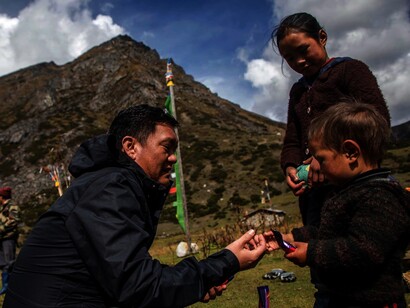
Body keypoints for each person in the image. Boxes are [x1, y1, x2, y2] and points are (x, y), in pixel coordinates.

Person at [4, 104, 266, 308]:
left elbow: (124, 278)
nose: (174, 158)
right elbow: (139, 287)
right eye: (167, 147)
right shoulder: (111, 187)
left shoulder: (107, 182)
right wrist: (228, 261)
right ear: (131, 147)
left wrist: (198, 283)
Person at [271, 12, 391, 304]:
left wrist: (327, 157)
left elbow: (377, 120)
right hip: (315, 198)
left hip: (354, 188)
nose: (299, 61)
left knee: (360, 257)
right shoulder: (298, 91)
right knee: (325, 274)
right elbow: (292, 139)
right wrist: (290, 166)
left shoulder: (349, 71)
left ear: (322, 38)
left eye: (303, 50)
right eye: (289, 57)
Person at [265, 102, 410, 307]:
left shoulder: (379, 197)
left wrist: (311, 252)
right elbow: (331, 232)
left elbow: (363, 251)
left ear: (350, 152)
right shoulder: (349, 191)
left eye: (320, 159)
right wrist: (292, 237)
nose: (316, 166)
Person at [0, 186, 20, 295]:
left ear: (2, 196)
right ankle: (5, 284)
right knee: (2, 262)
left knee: (10, 262)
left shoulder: (12, 206)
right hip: (1, 238)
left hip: (8, 237)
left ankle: (11, 285)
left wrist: (1, 228)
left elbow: (14, 220)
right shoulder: (1, 207)